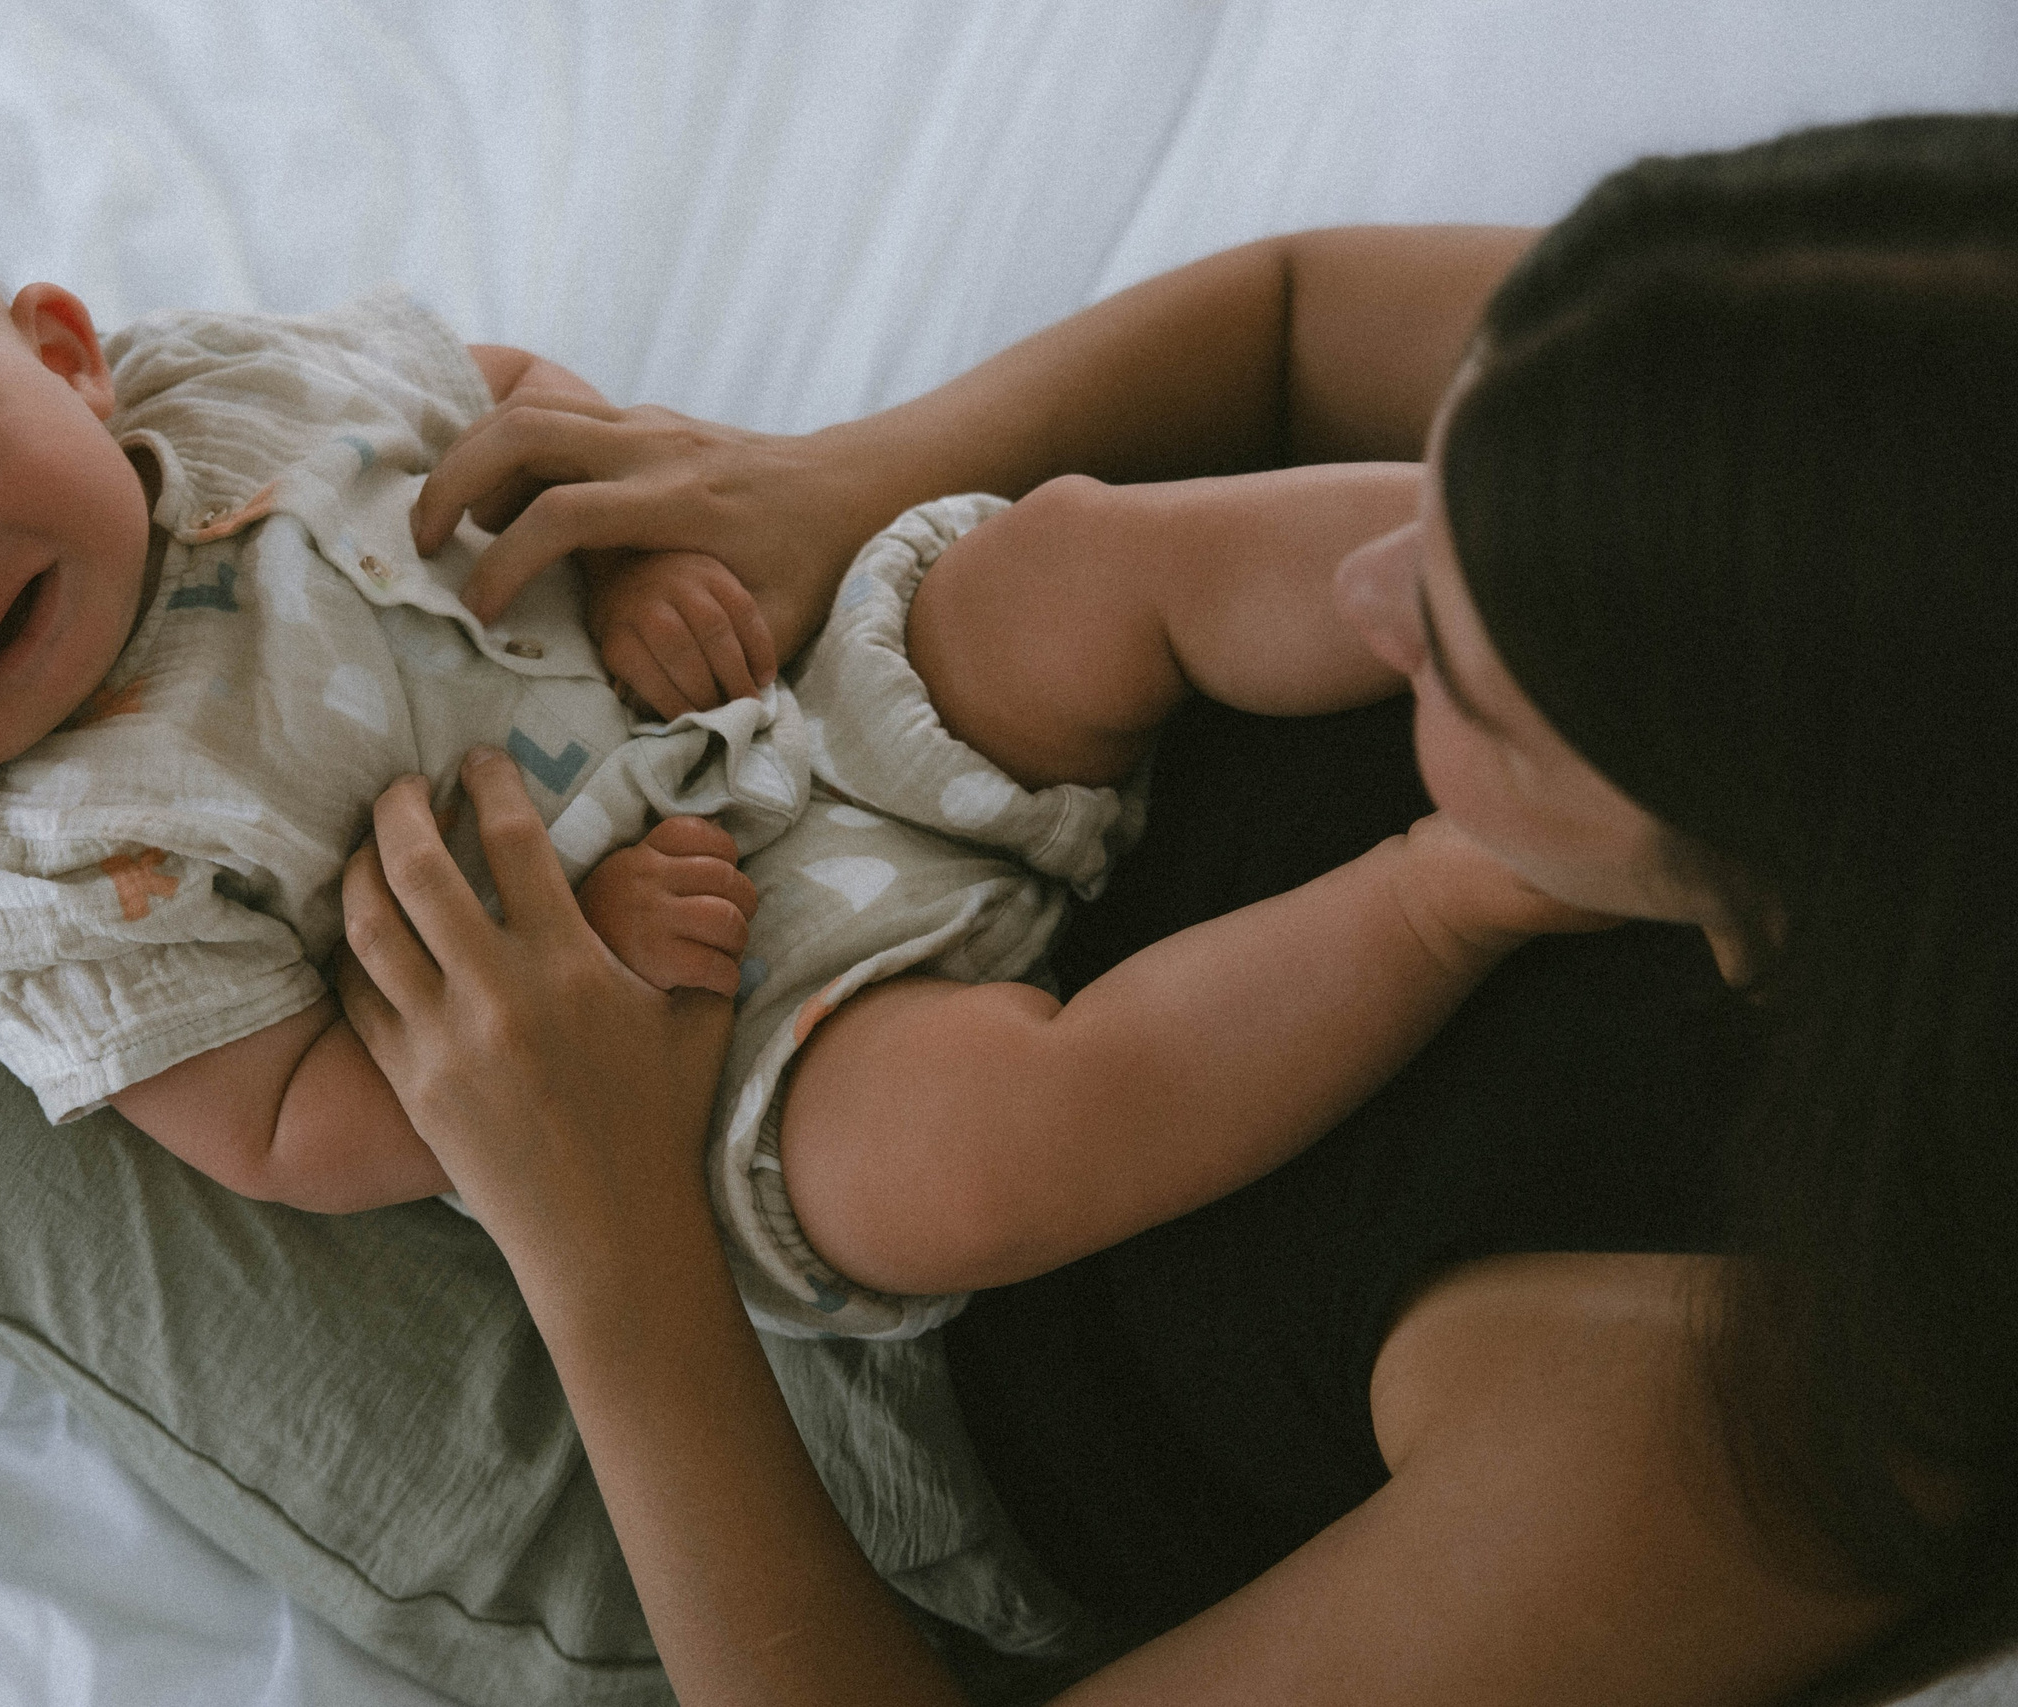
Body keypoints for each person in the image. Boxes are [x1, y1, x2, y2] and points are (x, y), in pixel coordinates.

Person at [340, 112, 2018, 1704]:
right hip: (929, 775)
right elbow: (1297, 319)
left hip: (830, 1399)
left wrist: (607, 1240)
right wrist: (842, 478)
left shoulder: (1732, 1414)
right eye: (1432, 487)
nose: (1376, 577)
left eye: (1466, 666)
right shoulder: (1861, 380)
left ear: (1764, 895)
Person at [0, 172, 1582, 1340]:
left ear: (60, 348)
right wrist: (578, 963)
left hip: (803, 691)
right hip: (732, 1029)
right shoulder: (27, 861)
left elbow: (510, 406)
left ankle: (1536, 560)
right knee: (986, 1148)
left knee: (1080, 560)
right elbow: (280, 1129)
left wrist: (635, 563)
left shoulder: (229, 385)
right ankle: (1459, 886)